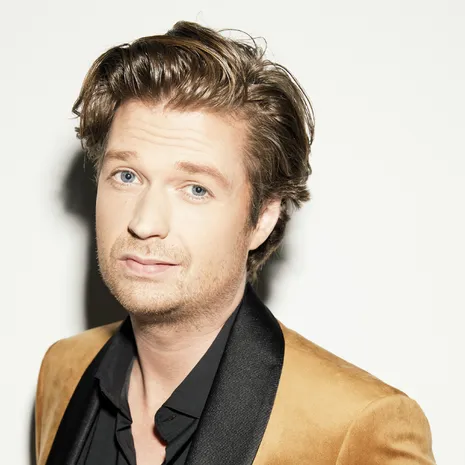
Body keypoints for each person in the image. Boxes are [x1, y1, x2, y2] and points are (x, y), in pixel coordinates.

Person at [35, 21, 436, 465]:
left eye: (196, 188)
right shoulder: (63, 370)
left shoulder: (357, 427)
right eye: (127, 176)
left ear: (262, 218)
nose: (145, 223)